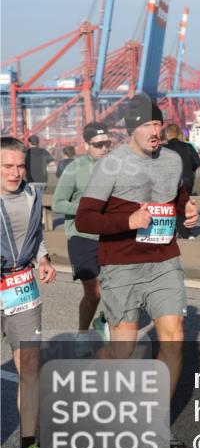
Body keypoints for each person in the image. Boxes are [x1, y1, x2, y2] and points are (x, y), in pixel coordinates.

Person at [75, 94, 199, 448]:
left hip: (164, 261)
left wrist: (187, 208)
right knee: (121, 350)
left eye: (158, 124)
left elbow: (176, 198)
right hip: (122, 266)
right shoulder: (112, 165)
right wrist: (127, 220)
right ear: (131, 129)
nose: (155, 131)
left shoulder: (173, 160)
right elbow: (85, 219)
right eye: (147, 125)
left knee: (174, 338)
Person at [1, 137, 58, 448]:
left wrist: (44, 258)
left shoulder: (33, 194)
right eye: (7, 166)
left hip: (22, 287)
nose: (15, 172)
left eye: (20, 166)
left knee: (30, 367)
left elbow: (35, 233)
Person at [52, 122, 112, 346]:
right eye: (98, 145)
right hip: (82, 237)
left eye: (107, 143)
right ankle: (83, 334)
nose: (104, 148)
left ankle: (105, 320)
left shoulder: (117, 167)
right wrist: (85, 209)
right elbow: (58, 203)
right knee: (94, 292)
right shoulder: (74, 169)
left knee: (119, 288)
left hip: (110, 235)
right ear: (86, 145)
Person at [164, 124, 200, 239]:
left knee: (172, 205)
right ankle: (186, 231)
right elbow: (198, 162)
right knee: (186, 205)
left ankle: (180, 231)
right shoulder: (188, 147)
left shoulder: (164, 149)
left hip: (171, 181)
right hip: (187, 180)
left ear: (167, 134)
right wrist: (190, 171)